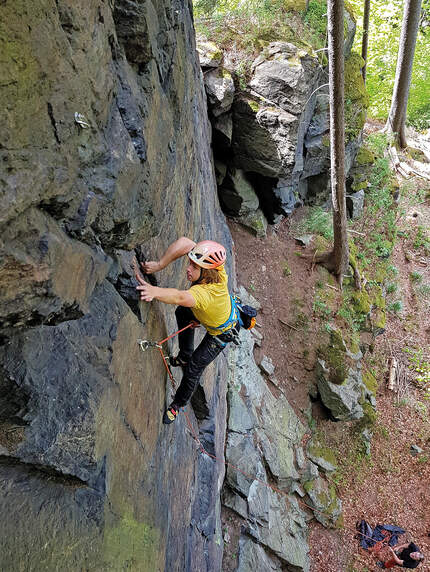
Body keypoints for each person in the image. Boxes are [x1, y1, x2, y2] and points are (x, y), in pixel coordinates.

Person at [135, 237, 238, 424]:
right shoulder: (216, 270)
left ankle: (177, 405)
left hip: (221, 333)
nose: (188, 269)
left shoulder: (204, 294)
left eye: (194, 267)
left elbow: (179, 296)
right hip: (218, 313)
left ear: (206, 272)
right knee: (183, 313)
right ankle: (184, 355)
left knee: (193, 369)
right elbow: (185, 242)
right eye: (190, 263)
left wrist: (153, 291)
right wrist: (159, 265)